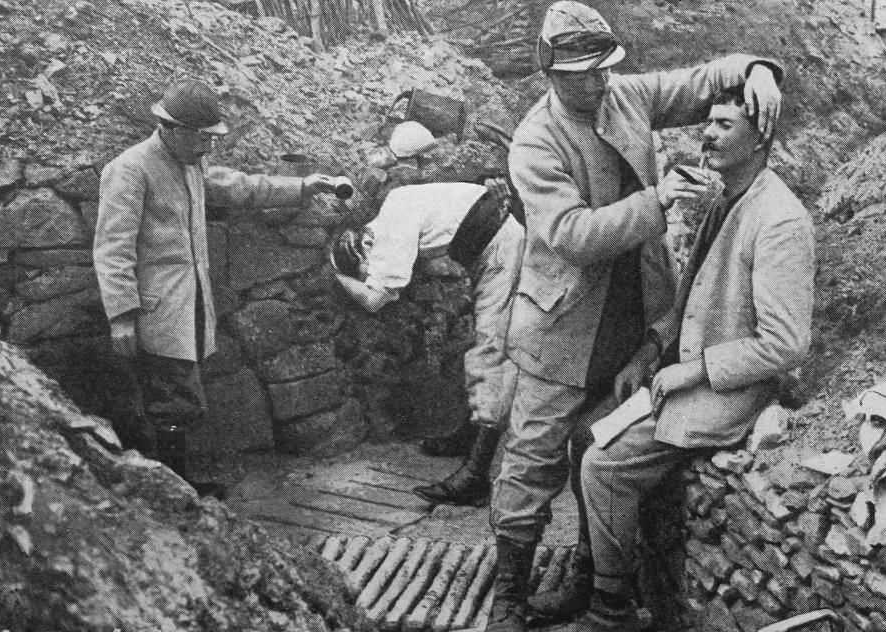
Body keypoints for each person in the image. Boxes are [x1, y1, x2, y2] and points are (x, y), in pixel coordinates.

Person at [485, 3, 785, 632]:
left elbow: (701, 81)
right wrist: (657, 201)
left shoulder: (626, 96)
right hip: (561, 331)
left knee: (597, 448)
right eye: (578, 77)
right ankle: (508, 596)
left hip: (632, 320)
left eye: (601, 71)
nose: (594, 85)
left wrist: (755, 68)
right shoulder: (535, 141)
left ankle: (591, 578)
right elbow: (571, 234)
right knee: (530, 462)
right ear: (549, 73)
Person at [578, 85, 815, 632]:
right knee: (584, 434)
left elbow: (785, 343)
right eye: (707, 121)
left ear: (761, 138)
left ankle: (611, 608)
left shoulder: (780, 220)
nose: (706, 133)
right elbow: (694, 302)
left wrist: (694, 370)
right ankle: (597, 574)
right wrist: (653, 348)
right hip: (686, 375)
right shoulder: (726, 195)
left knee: (602, 464)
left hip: (731, 393)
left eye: (725, 125)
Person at [95, 79, 346, 496]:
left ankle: (174, 483)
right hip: (154, 310)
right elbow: (112, 248)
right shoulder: (130, 169)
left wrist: (302, 187)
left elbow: (238, 186)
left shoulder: (188, 163)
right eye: (203, 138)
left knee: (180, 398)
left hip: (188, 304)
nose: (208, 148)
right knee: (171, 401)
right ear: (171, 128)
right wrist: (121, 316)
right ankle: (171, 491)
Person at [330, 180, 525, 506]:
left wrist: (340, 277)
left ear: (366, 243)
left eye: (364, 269)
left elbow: (376, 299)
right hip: (492, 243)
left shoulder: (388, 233)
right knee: (482, 346)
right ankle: (467, 437)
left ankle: (475, 477)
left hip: (499, 249)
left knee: (490, 354)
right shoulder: (392, 209)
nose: (369, 273)